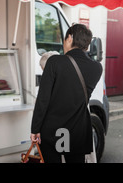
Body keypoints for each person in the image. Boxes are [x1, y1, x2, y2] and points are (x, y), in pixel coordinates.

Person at [30, 24, 102, 163]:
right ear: (87, 44)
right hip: (78, 130)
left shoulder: (54, 62)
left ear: (69, 38)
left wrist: (35, 129)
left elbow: (43, 99)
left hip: (53, 130)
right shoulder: (97, 67)